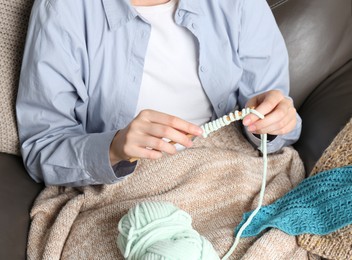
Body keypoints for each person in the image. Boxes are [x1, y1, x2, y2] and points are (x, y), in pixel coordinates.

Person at [16, 0, 301, 187]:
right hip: (130, 190)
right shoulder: (64, 10)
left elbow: (279, 123)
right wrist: (115, 148)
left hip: (237, 171)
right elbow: (43, 148)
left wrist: (273, 123)